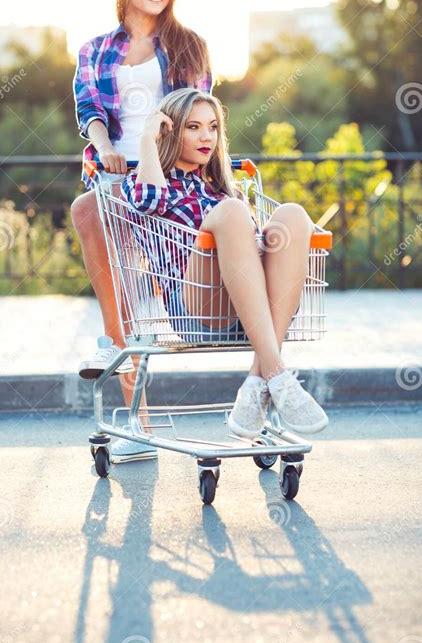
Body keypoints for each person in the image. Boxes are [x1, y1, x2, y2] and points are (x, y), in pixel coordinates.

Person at [71, 0, 212, 462]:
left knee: (149, 285)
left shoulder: (189, 46)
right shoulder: (95, 49)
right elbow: (89, 108)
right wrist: (105, 149)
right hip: (116, 173)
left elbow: (197, 115)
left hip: (166, 176)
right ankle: (133, 404)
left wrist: (157, 161)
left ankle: (118, 348)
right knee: (90, 212)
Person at [121, 88, 329, 437]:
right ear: (170, 132)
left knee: (292, 214)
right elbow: (149, 201)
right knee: (231, 213)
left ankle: (255, 384)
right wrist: (146, 138)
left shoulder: (223, 190)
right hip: (199, 308)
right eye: (193, 127)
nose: (207, 136)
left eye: (213, 127)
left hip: (255, 307)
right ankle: (277, 375)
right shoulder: (141, 182)